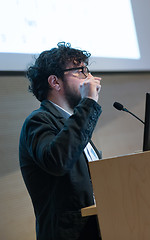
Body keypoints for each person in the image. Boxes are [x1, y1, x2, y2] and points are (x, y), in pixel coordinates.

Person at [19, 42, 102, 240]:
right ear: (55, 82)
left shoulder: (74, 122)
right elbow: (59, 160)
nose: (90, 78)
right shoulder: (38, 121)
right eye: (80, 71)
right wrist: (89, 102)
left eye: (87, 70)